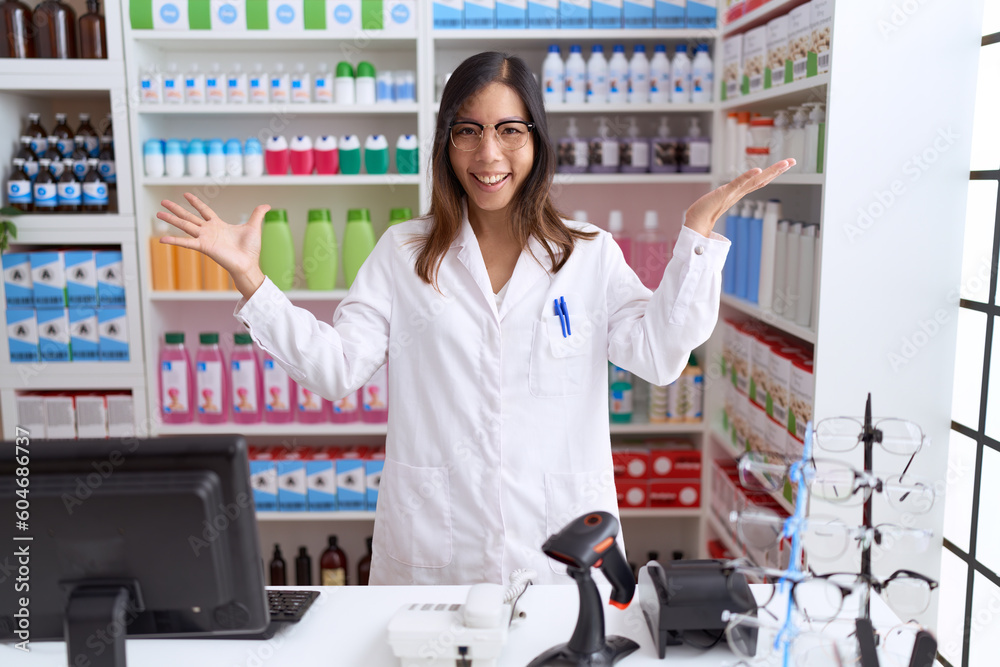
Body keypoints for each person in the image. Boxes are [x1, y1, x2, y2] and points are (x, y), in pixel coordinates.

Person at [157, 51, 793, 586]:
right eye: (469, 130)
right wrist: (250, 278)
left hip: (557, 547)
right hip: (437, 551)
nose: (489, 153)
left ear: (536, 140)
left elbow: (659, 356)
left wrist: (698, 234)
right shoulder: (404, 253)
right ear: (447, 142)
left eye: (510, 130)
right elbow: (336, 369)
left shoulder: (588, 253)